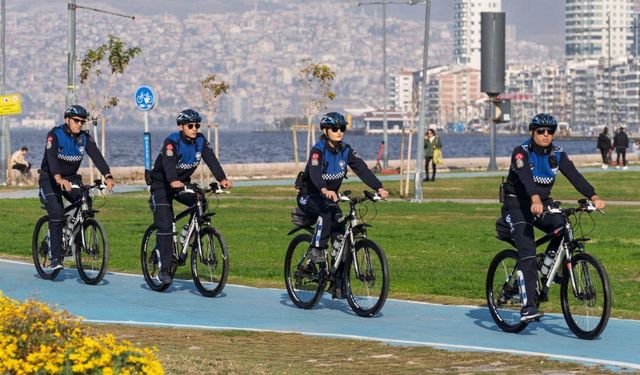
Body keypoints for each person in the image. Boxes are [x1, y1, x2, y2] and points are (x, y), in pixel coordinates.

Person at [500, 113, 605, 322]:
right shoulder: (521, 153)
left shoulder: (558, 153)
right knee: (528, 251)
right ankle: (528, 307)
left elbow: (574, 175)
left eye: (550, 131)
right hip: (517, 204)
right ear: (532, 132)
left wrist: (593, 196)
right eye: (541, 131)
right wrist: (536, 199)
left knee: (562, 225)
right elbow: (527, 180)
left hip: (541, 203)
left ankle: (546, 264)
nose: (546, 135)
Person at [296, 112, 389, 297]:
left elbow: (362, 169)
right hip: (310, 196)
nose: (339, 132)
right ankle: (316, 250)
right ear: (325, 130)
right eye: (335, 129)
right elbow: (314, 173)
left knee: (341, 239)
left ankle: (338, 285)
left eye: (342, 129)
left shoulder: (346, 150)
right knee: (326, 212)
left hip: (330, 199)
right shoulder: (318, 150)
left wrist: (379, 187)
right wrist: (323, 189)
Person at [148, 109, 232, 285]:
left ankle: (189, 235)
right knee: (165, 224)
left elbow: (212, 160)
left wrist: (222, 179)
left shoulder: (200, 141)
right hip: (162, 185)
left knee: (200, 200)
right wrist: (172, 180)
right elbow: (169, 165)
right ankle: (163, 269)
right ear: (181, 127)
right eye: (190, 125)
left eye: (197, 125)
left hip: (182, 183)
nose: (194, 128)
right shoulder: (172, 142)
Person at [38, 105, 115, 271]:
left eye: (82, 121)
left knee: (85, 202)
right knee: (57, 214)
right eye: (76, 121)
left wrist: (107, 175)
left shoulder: (84, 138)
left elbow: (96, 156)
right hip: (50, 178)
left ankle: (74, 239)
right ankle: (55, 258)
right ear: (67, 119)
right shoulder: (55, 134)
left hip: (71, 179)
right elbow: (51, 158)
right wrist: (58, 178)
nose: (79, 124)